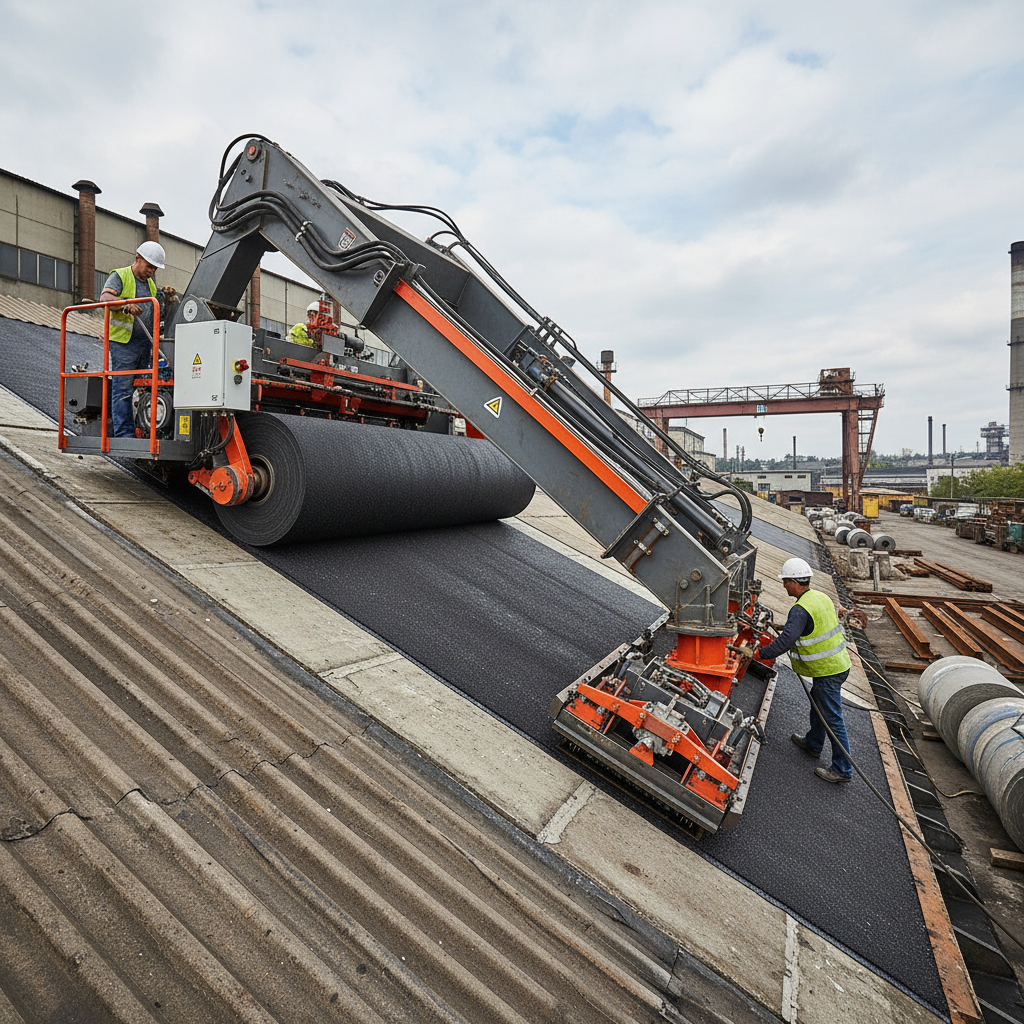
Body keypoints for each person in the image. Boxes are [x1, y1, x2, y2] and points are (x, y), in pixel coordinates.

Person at [756, 557, 854, 783]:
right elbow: (811, 626)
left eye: (785, 582)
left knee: (832, 719)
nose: (784, 586)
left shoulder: (799, 610)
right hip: (838, 665)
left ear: (793, 582)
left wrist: (758, 653)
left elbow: (785, 642)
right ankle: (813, 743)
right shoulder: (820, 597)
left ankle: (842, 770)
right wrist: (785, 627)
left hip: (828, 671)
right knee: (818, 705)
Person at [98, 241, 166, 437]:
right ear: (137, 259)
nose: (151, 271)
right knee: (123, 389)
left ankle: (141, 430)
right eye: (149, 266)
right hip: (123, 343)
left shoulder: (151, 285)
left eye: (154, 268)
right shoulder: (120, 275)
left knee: (143, 387)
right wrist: (125, 304)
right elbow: (105, 299)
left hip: (144, 343)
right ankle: (124, 434)